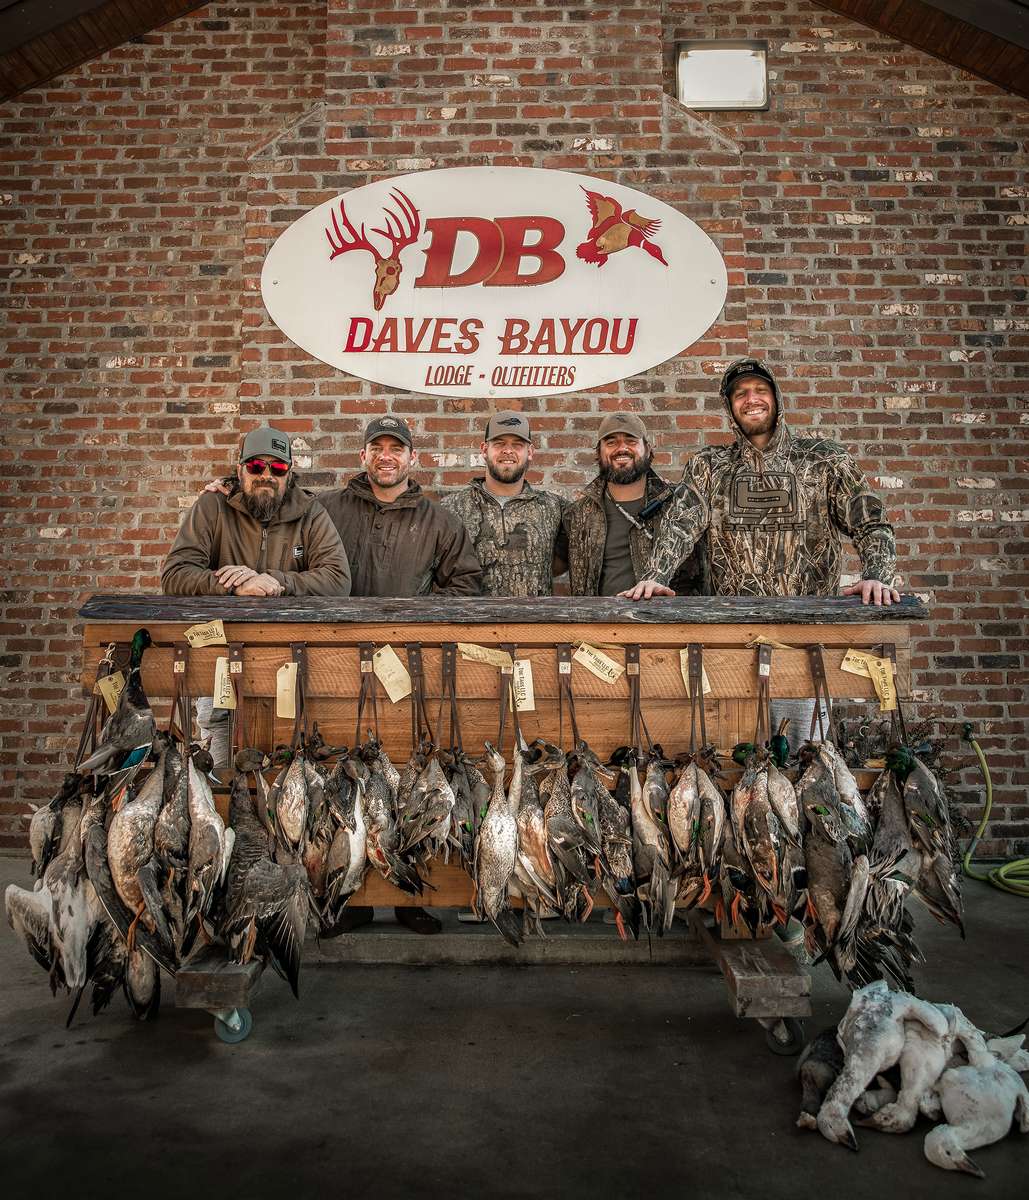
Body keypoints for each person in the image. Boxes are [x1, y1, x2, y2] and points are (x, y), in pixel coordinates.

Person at [621, 357, 900, 752]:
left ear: (776, 398)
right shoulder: (709, 467)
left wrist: (877, 573)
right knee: (737, 759)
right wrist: (656, 575)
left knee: (806, 757)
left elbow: (871, 521)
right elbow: (680, 526)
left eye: (760, 391)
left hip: (806, 645)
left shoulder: (823, 461)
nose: (751, 400)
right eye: (740, 394)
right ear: (729, 407)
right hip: (732, 646)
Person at [162, 425, 352, 764]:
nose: (266, 475)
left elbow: (338, 579)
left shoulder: (311, 514)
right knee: (218, 767)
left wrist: (275, 581)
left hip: (287, 662)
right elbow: (175, 575)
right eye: (256, 467)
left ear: (289, 474)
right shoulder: (212, 507)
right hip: (219, 657)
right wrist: (233, 585)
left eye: (277, 468)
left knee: (285, 762)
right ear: (240, 470)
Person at [318, 415, 482, 599]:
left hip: (406, 627)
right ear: (363, 456)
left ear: (412, 457)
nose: (385, 456)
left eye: (396, 449)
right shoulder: (325, 508)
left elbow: (465, 585)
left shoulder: (441, 523)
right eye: (376, 449)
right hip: (333, 626)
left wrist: (417, 613)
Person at [562, 412, 706, 597]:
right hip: (598, 622)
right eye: (611, 442)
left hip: (668, 622)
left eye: (631, 441)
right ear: (598, 452)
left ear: (648, 448)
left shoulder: (680, 503)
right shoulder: (577, 514)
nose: (622, 448)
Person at [440, 411, 567, 597]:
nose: (508, 451)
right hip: (470, 622)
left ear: (530, 452)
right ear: (484, 450)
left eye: (517, 445)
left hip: (534, 622)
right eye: (499, 444)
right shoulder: (451, 507)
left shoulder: (554, 507)